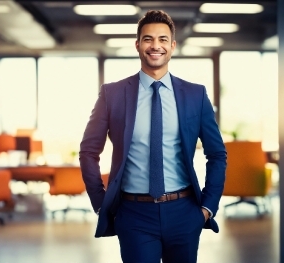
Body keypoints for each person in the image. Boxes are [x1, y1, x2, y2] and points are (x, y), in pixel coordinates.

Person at [79, 10, 227, 263]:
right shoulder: (112, 95)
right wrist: (100, 203)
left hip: (185, 211)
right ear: (137, 45)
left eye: (162, 39)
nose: (155, 45)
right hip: (134, 213)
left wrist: (207, 208)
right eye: (148, 39)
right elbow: (88, 151)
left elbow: (217, 154)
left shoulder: (195, 95)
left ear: (172, 45)